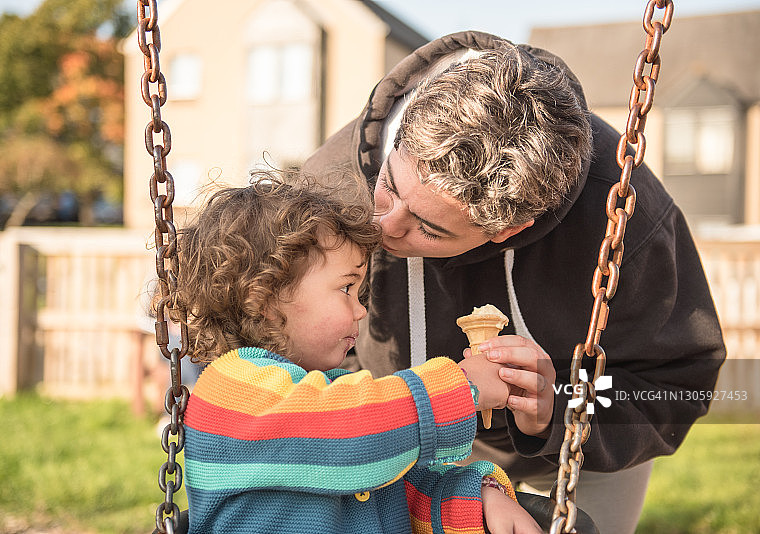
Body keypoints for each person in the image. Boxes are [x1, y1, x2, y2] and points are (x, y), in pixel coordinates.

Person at [302, 32, 726, 534]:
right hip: (409, 437)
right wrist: (454, 472)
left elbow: (672, 380)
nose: (384, 227)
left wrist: (561, 406)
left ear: (508, 231)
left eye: (429, 228)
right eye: (391, 187)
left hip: (588, 444)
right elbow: (303, 366)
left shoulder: (621, 210)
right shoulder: (328, 191)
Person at [175, 173, 542, 534]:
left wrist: (480, 500)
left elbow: (399, 490)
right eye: (347, 288)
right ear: (269, 297)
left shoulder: (326, 393)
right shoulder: (234, 394)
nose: (361, 310)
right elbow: (354, 437)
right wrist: (463, 387)